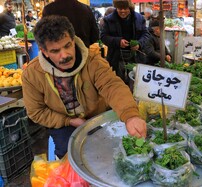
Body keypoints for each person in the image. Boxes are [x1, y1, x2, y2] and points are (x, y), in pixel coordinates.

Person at [22, 15, 147, 159]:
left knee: (111, 150)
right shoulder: (32, 74)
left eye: (68, 45)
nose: (65, 55)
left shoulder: (94, 62)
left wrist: (130, 115)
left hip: (97, 117)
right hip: (62, 121)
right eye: (55, 51)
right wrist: (68, 121)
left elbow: (112, 86)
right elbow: (36, 112)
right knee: (70, 154)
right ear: (44, 52)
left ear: (73, 40)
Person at [100, 0, 150, 83]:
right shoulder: (109, 20)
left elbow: (146, 35)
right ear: (116, 8)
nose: (123, 11)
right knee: (117, 83)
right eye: (120, 8)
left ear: (129, 7)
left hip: (136, 57)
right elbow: (103, 37)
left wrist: (139, 44)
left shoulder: (139, 18)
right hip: (116, 58)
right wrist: (118, 41)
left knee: (135, 83)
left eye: (125, 8)